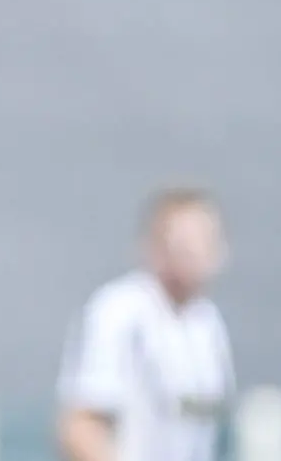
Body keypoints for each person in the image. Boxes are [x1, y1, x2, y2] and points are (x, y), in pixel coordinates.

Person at [55, 187, 235, 461]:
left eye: (206, 240)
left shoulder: (207, 322)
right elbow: (80, 426)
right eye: (185, 242)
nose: (196, 252)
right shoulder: (120, 310)